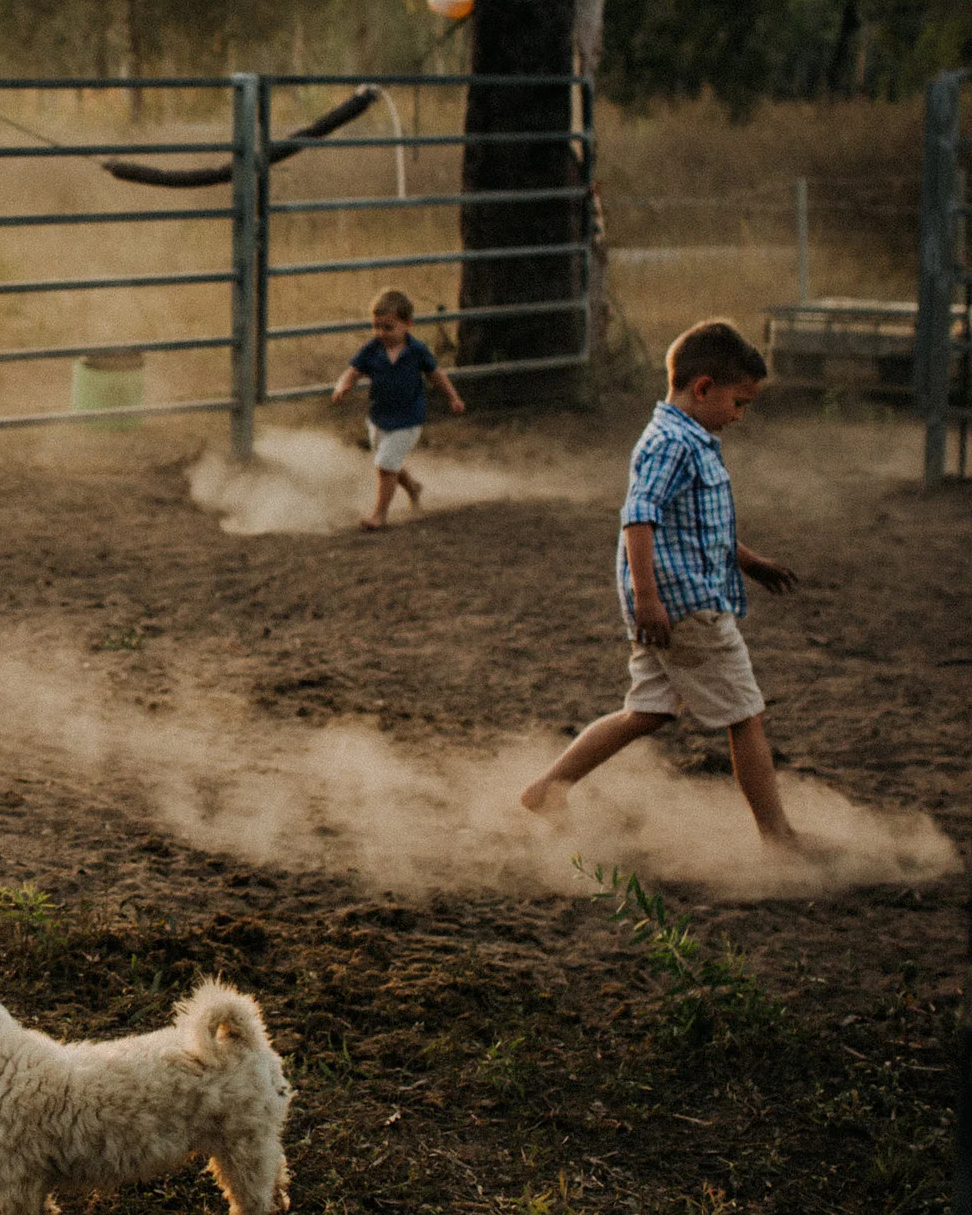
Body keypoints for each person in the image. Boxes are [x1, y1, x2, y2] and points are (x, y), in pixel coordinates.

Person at [518, 319, 802, 843]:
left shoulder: (686, 438)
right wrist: (647, 600)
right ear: (703, 388)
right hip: (685, 606)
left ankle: (548, 788)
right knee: (746, 718)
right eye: (739, 403)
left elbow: (694, 527)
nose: (740, 416)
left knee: (643, 711)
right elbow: (639, 517)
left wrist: (749, 561)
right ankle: (778, 837)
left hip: (674, 603)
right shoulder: (672, 444)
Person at [328, 288, 465, 529]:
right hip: (378, 418)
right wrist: (342, 386)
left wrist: (453, 397)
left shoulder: (417, 351)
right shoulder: (372, 349)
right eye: (376, 326)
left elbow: (437, 376)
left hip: (409, 420)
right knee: (388, 462)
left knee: (385, 464)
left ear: (408, 324)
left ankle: (379, 515)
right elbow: (353, 371)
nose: (381, 333)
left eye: (388, 327)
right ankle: (414, 488)